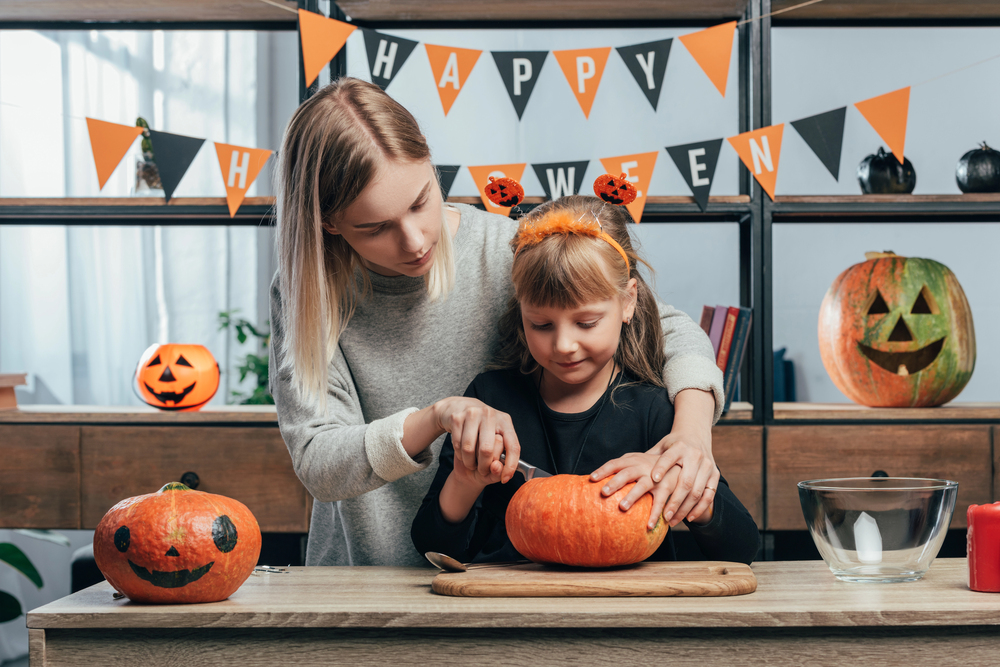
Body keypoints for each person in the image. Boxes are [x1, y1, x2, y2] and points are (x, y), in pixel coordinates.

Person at [269, 77, 727, 567]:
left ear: (429, 160)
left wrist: (694, 431)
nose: (415, 240)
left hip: (490, 582)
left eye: (421, 201)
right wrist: (436, 418)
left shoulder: (504, 248)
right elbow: (319, 462)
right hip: (364, 580)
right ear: (329, 223)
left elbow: (664, 327)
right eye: (376, 227)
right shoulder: (305, 293)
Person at [410, 195, 760, 566]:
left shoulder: (656, 410)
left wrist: (683, 486)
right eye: (540, 324)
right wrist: (465, 481)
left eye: (586, 323)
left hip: (633, 614)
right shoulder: (490, 400)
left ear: (628, 302)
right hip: (513, 611)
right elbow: (435, 549)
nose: (563, 345)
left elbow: (741, 549)